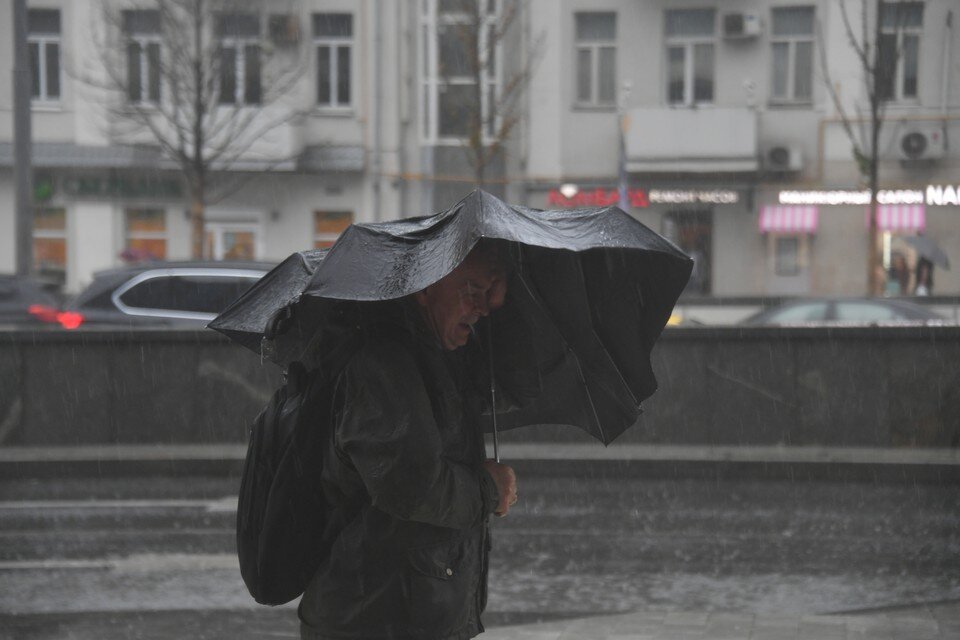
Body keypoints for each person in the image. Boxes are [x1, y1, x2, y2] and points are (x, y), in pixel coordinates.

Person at [298, 242, 520, 640]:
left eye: (491, 293)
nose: (483, 307)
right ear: (425, 284)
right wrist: (488, 488)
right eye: (473, 289)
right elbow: (413, 487)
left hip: (408, 613)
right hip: (378, 618)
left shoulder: (432, 354)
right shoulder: (385, 362)